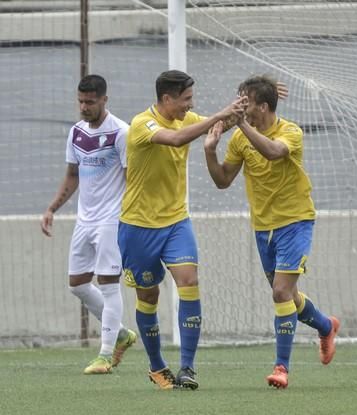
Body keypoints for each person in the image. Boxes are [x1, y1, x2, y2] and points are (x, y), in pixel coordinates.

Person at [203, 75, 340, 389]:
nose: (240, 107)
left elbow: (274, 152)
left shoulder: (290, 131)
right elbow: (223, 181)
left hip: (295, 221)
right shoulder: (240, 138)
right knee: (288, 295)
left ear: (262, 107)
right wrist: (210, 151)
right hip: (263, 228)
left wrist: (241, 125)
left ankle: (282, 367)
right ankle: (325, 325)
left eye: (245, 102)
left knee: (279, 292)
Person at [118, 70, 245, 390]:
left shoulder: (186, 119)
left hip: (176, 222)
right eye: (186, 99)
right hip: (138, 226)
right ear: (166, 99)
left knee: (189, 281)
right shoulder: (141, 124)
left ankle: (188, 367)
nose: (191, 104)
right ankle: (158, 367)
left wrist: (244, 106)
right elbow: (175, 139)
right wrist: (218, 115)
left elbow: (218, 124)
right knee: (148, 296)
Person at [40, 74, 137, 375]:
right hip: (85, 219)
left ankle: (105, 355)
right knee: (78, 284)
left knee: (109, 285)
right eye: (81, 101)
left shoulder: (121, 133)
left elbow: (133, 178)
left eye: (90, 102)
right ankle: (121, 333)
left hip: (112, 219)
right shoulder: (76, 132)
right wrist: (52, 208)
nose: (84, 107)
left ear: (104, 100)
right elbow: (72, 174)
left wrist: (132, 219)